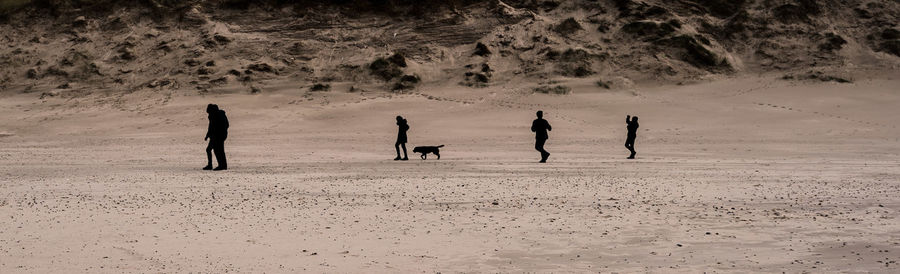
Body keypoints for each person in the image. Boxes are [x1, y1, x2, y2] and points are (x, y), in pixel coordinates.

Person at [204, 104, 229, 170]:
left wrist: (219, 134)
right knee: (211, 150)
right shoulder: (212, 116)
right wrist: (207, 135)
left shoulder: (220, 115)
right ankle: (213, 165)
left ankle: (222, 165)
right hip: (214, 136)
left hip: (219, 136)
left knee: (218, 150)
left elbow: (226, 125)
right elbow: (211, 127)